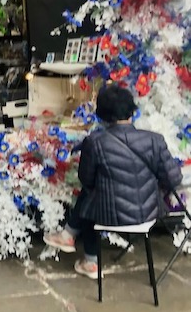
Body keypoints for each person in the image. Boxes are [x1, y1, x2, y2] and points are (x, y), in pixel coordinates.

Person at [43, 85, 182, 279]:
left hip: (108, 215)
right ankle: (70, 237)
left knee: (90, 196)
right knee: (93, 196)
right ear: (132, 111)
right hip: (149, 213)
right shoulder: (155, 140)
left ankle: (88, 258)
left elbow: (86, 180)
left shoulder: (95, 142)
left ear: (102, 115)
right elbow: (174, 178)